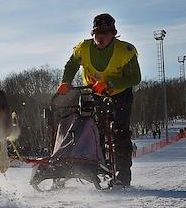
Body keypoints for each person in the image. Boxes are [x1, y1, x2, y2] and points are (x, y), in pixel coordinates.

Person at [56, 13, 141, 187]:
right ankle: (99, 169)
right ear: (92, 33)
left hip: (120, 93)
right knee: (95, 131)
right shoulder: (83, 48)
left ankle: (123, 174)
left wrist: (110, 84)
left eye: (106, 32)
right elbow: (72, 64)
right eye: (97, 32)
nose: (100, 36)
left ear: (113, 34)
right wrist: (66, 81)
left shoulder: (125, 51)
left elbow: (135, 77)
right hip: (94, 92)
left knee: (120, 132)